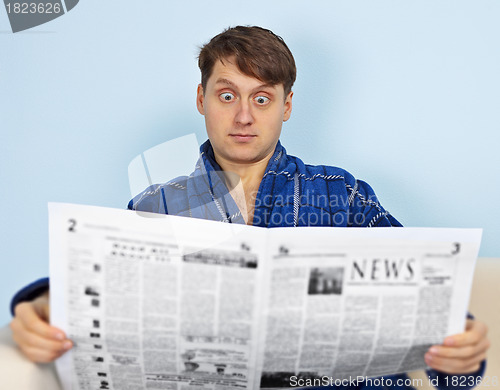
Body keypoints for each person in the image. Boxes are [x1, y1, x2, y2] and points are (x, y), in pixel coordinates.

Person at [9, 26, 489, 389]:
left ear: (287, 106)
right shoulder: (156, 206)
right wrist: (48, 306)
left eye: (262, 98)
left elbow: (427, 311)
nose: (243, 116)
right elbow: (105, 301)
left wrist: (460, 352)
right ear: (202, 100)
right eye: (227, 95)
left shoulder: (343, 196)